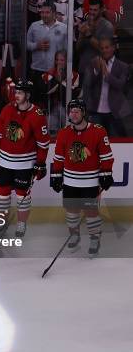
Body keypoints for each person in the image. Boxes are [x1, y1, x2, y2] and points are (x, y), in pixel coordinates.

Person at [50, 99, 113, 256]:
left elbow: (107, 156)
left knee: (91, 212)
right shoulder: (64, 132)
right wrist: (56, 175)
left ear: (84, 113)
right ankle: (75, 235)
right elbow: (58, 157)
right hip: (70, 181)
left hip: (90, 181)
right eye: (71, 111)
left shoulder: (98, 131)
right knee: (71, 212)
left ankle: (94, 238)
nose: (74, 114)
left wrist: (106, 173)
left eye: (77, 111)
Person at [0, 80, 49, 237]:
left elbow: (43, 143)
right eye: (16, 92)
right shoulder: (7, 109)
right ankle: (1, 222)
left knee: (22, 195)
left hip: (25, 163)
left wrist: (40, 163)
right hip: (4, 161)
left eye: (20, 93)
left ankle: (21, 223)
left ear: (28, 95)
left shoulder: (37, 115)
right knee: (2, 194)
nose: (16, 95)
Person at [83, 37, 130, 137]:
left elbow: (120, 85)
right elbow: (88, 84)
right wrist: (96, 70)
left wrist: (106, 73)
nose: (104, 50)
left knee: (116, 142)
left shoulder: (123, 66)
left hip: (115, 112)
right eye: (102, 48)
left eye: (107, 47)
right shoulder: (94, 63)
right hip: (96, 111)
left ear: (113, 48)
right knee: (95, 140)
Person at [26, 2, 67, 106]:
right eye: (42, 12)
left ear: (54, 13)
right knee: (36, 102)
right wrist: (36, 46)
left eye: (47, 12)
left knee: (54, 103)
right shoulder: (34, 26)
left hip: (56, 72)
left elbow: (67, 50)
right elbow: (25, 45)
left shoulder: (63, 28)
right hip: (37, 71)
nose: (44, 14)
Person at [42, 50, 80, 133]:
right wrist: (57, 80)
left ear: (67, 61)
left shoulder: (74, 75)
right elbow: (47, 91)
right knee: (52, 131)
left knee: (69, 131)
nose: (59, 62)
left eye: (62, 60)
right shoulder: (48, 74)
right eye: (57, 60)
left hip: (67, 109)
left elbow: (72, 94)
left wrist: (60, 82)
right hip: (52, 108)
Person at [76, 0, 115, 78]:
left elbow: (104, 50)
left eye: (95, 10)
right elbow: (78, 49)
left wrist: (88, 34)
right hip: (83, 69)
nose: (92, 12)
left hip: (99, 71)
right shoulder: (85, 24)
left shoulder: (107, 26)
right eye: (90, 9)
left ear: (101, 10)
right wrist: (81, 35)